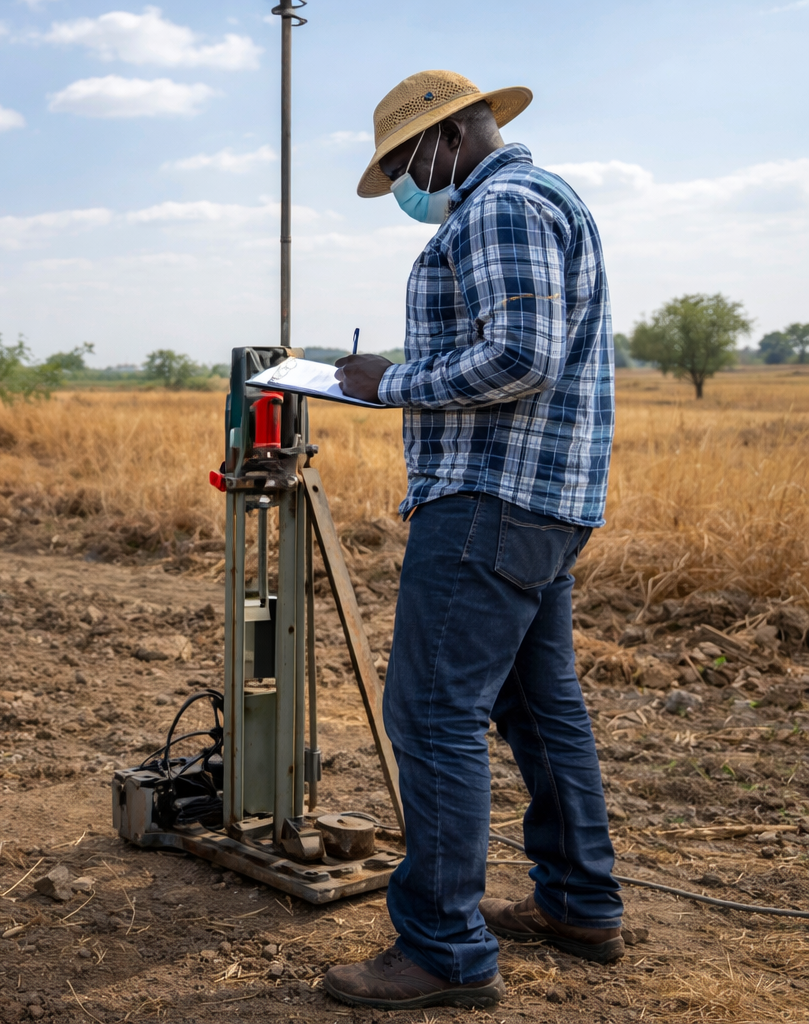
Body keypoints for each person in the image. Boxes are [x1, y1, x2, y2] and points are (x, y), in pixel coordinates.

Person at [323, 71, 621, 1011]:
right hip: (544, 501)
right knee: (538, 708)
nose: (404, 187)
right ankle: (579, 902)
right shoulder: (543, 198)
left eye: (403, 166)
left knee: (430, 715)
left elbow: (521, 356)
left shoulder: (501, 205)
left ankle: (444, 950)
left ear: (445, 139)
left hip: (490, 496)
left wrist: (389, 382)